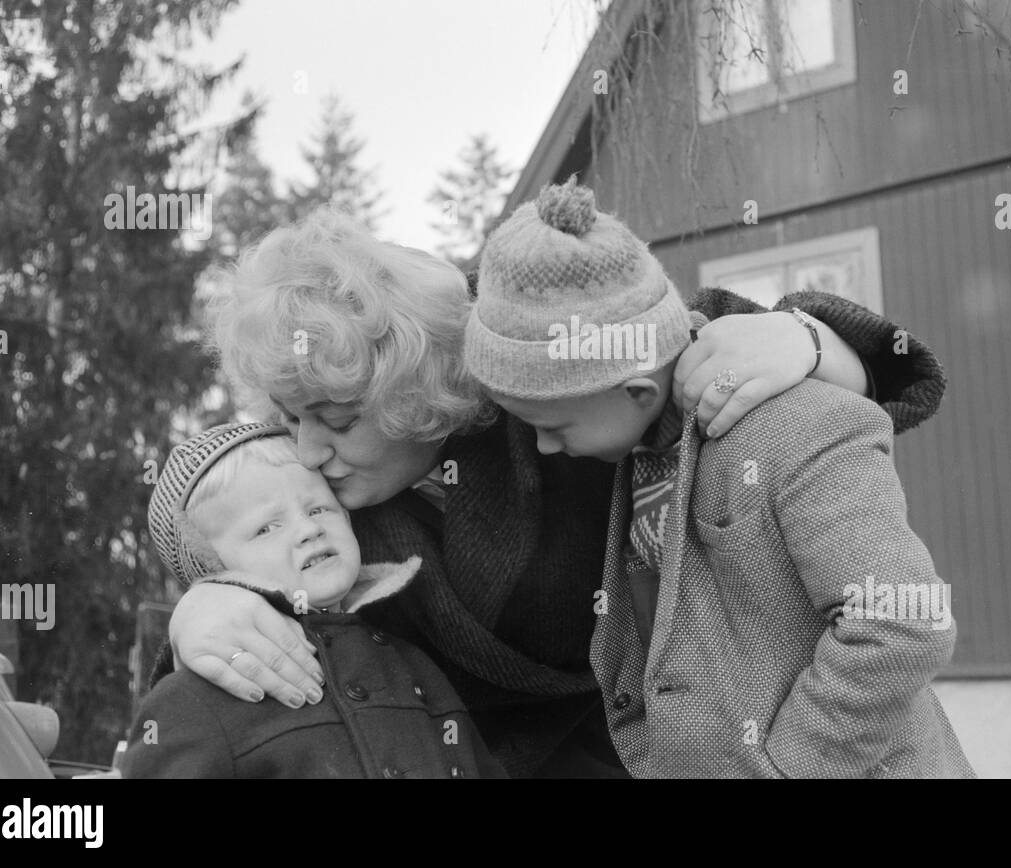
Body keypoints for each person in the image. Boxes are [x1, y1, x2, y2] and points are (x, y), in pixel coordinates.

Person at [157, 205, 948, 777]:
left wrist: (806, 339)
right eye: (288, 418)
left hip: (733, 733)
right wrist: (205, 601)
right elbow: (212, 503)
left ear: (408, 386)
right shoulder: (334, 492)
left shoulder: (546, 363)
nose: (304, 451)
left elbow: (873, 381)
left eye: (330, 418)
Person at [462, 178, 973, 778]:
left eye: (552, 425)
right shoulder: (641, 443)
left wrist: (785, 770)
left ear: (636, 391)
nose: (543, 447)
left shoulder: (799, 427)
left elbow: (902, 622)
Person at [125, 423, 503, 778]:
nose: (309, 529)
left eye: (319, 509)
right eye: (266, 528)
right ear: (212, 567)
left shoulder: (414, 662)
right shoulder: (195, 697)